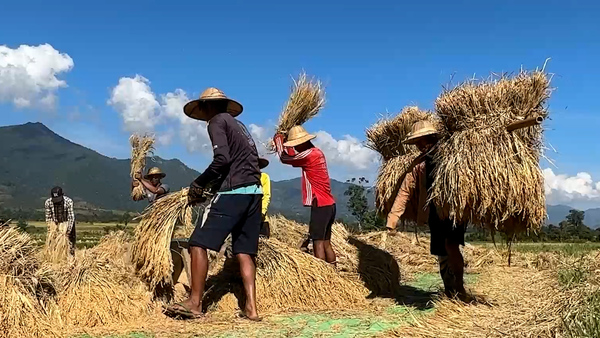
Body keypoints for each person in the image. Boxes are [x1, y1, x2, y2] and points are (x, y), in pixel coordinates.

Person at [167, 87, 262, 321]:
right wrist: (212, 186)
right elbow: (235, 163)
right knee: (244, 252)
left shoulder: (217, 121)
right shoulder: (239, 126)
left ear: (208, 107)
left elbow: (222, 160)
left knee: (197, 243)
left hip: (235, 191)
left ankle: (195, 303)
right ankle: (252, 308)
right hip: (254, 192)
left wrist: (198, 183)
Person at [385, 121, 469, 300]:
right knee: (441, 252)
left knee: (451, 245)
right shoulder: (419, 165)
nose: (421, 145)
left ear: (433, 137)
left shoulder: (452, 157)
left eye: (424, 140)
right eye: (418, 143)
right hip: (434, 213)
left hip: (454, 211)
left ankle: (460, 287)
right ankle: (449, 290)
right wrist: (392, 219)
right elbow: (405, 190)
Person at [273, 126, 337, 266]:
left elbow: (285, 158)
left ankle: (321, 274)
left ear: (302, 143)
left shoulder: (308, 155)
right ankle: (334, 272)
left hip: (320, 204)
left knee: (317, 242)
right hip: (330, 204)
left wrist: (278, 140)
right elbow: (293, 156)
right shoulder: (317, 152)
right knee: (326, 242)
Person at [44, 186, 76, 255]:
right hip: (55, 224)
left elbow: (71, 218)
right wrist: (51, 231)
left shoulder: (68, 202)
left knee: (70, 244)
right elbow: (48, 218)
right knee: (53, 244)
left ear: (62, 195)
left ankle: (71, 258)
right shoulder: (48, 203)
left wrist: (67, 232)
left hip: (66, 224)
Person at [258, 157, 271, 238]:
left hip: (261, 218)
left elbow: (266, 195)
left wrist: (262, 212)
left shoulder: (264, 177)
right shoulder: (242, 178)